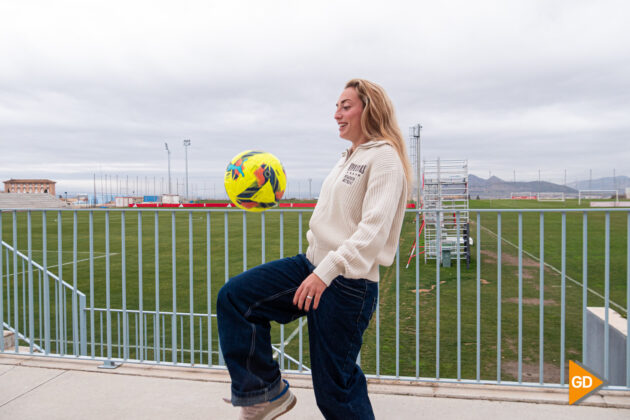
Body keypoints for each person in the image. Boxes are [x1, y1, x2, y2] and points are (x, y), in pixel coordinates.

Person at [217, 78, 412, 420]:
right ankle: (264, 393)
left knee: (335, 390)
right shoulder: (348, 158)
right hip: (311, 265)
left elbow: (373, 232)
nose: (336, 114)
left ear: (370, 109)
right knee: (236, 297)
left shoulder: (384, 159)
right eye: (337, 106)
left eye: (345, 106)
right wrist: (316, 269)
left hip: (348, 283)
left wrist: (325, 274)